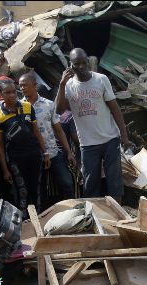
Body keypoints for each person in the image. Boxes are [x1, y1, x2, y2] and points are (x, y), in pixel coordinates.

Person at [55, 48, 130, 202]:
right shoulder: (68, 86)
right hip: (88, 144)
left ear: (88, 62)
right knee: (90, 184)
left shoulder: (101, 79)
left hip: (110, 139)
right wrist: (61, 85)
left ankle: (117, 216)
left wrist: (124, 135)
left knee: (114, 181)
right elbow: (59, 109)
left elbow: (115, 108)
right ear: (71, 65)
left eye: (84, 63)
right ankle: (95, 216)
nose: (81, 67)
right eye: (77, 64)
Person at [0, 78, 51, 213]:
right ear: (1, 94)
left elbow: (36, 131)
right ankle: (24, 222)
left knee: (38, 188)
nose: (12, 95)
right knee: (22, 190)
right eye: (7, 93)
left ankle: (41, 217)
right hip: (15, 159)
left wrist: (45, 153)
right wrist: (5, 169)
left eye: (14, 92)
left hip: (35, 156)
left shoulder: (27, 107)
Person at [19, 72, 78, 204]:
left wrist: (68, 152)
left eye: (25, 85)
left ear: (34, 85)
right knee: (40, 190)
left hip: (53, 152)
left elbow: (59, 130)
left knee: (67, 183)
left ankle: (73, 209)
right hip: (34, 155)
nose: (22, 88)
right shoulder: (19, 107)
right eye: (20, 86)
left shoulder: (48, 104)